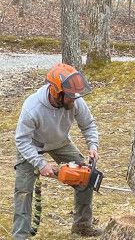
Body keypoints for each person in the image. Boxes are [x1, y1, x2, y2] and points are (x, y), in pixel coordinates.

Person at [12, 63, 102, 239]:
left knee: (85, 176)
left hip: (60, 142)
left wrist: (93, 145)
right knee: (23, 191)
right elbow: (21, 140)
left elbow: (88, 124)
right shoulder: (32, 107)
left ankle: (82, 226)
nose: (74, 99)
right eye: (69, 96)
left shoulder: (74, 100)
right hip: (32, 145)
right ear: (55, 92)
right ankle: (20, 236)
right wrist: (40, 164)